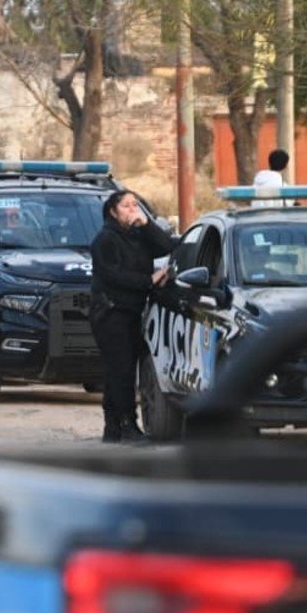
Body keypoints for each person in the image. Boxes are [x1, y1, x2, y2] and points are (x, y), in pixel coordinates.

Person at [90, 190, 175, 445]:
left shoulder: (138, 235)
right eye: (126, 206)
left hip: (132, 312)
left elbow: (167, 246)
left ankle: (112, 427)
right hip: (110, 312)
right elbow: (113, 276)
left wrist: (147, 224)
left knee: (117, 371)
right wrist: (148, 281)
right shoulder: (105, 239)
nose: (132, 210)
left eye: (135, 205)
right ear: (113, 211)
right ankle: (127, 424)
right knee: (122, 371)